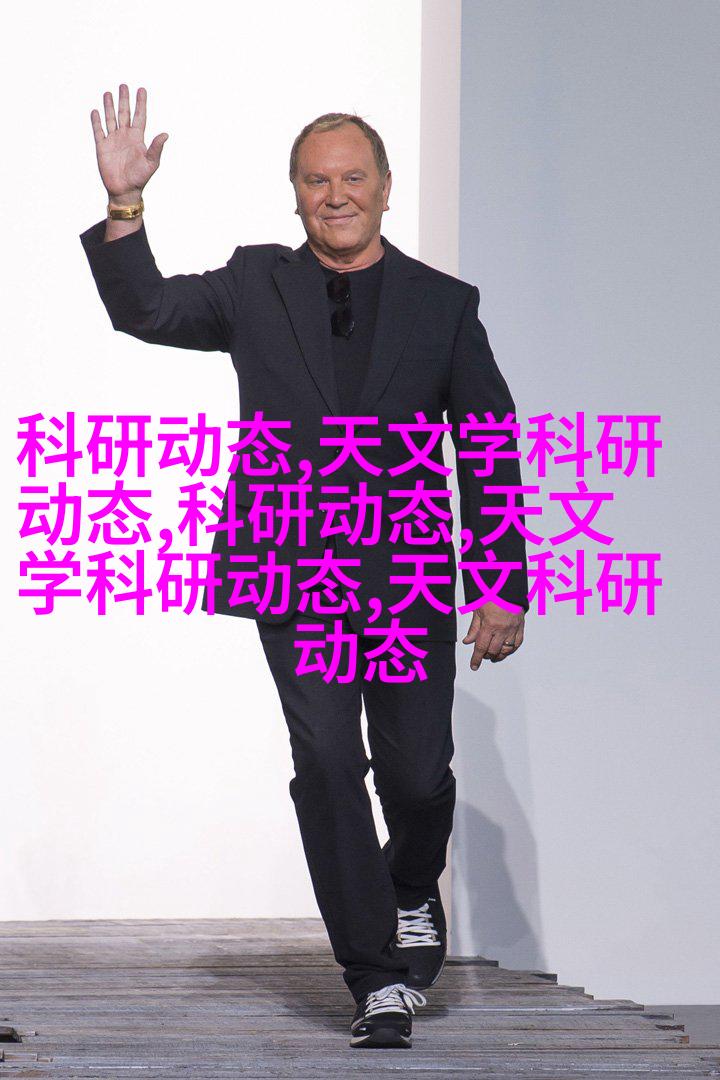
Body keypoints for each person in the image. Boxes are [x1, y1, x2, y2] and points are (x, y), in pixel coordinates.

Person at [80, 84, 529, 1049]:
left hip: (408, 572)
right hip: (294, 570)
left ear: (386, 187)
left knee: (419, 779)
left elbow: (487, 448)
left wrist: (498, 581)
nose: (336, 195)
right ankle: (375, 975)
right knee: (326, 761)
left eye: (353, 177)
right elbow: (146, 308)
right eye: (317, 181)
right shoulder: (256, 282)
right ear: (295, 195)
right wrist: (125, 204)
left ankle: (410, 885)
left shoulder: (443, 305)